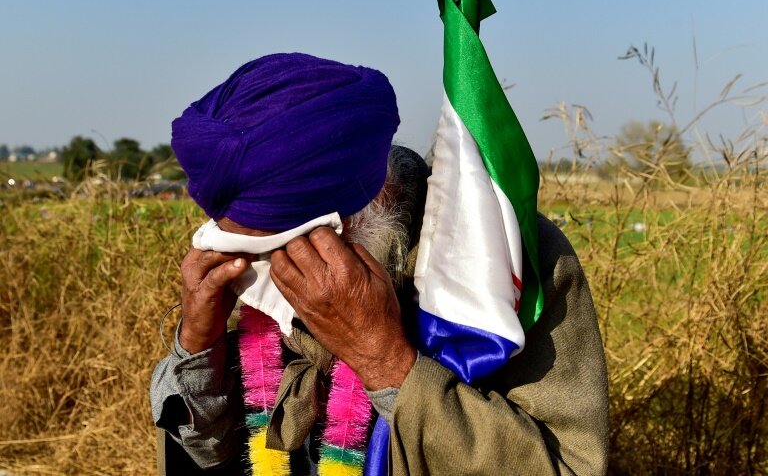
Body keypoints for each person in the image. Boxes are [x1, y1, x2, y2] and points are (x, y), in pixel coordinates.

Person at [150, 53, 609, 475]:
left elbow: (568, 466)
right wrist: (197, 349)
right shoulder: (253, 274)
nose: (256, 270)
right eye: (233, 244)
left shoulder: (506, 261)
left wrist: (385, 360)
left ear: (360, 210)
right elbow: (214, 452)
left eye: (272, 247)